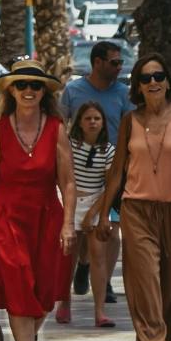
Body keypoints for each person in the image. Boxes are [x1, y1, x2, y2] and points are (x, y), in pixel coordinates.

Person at [89, 52, 171, 341]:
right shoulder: (130, 122)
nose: (152, 83)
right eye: (145, 78)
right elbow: (118, 169)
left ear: (168, 82)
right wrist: (103, 214)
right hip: (136, 209)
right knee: (145, 282)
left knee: (169, 282)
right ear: (137, 85)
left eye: (158, 76)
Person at [0, 59, 74, 341]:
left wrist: (69, 222)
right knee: (17, 279)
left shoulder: (56, 130)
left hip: (46, 216)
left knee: (44, 291)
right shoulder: (0, 130)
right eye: (21, 85)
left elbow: (68, 182)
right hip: (5, 217)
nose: (28, 90)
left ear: (43, 91)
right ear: (11, 91)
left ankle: (27, 338)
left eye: (35, 85)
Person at [62, 39, 133, 304]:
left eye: (120, 62)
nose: (119, 67)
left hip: (114, 169)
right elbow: (61, 126)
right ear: (97, 63)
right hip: (80, 170)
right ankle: (84, 264)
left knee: (111, 228)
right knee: (81, 230)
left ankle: (106, 282)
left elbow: (131, 130)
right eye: (114, 62)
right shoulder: (73, 90)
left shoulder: (124, 93)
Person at [61, 100, 117, 329]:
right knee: (69, 256)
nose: (92, 122)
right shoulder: (70, 146)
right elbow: (67, 179)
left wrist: (94, 214)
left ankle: (99, 311)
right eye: (88, 118)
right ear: (79, 123)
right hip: (72, 201)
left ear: (103, 123)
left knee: (98, 257)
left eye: (97, 118)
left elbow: (109, 186)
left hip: (96, 201)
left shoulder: (108, 150)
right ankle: (64, 304)